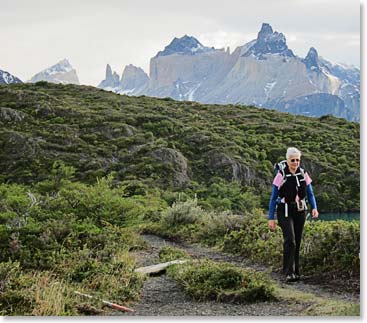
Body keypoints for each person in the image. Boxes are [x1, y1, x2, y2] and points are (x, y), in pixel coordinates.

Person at [268, 147, 318, 283]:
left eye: (297, 160)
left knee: (297, 240)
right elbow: (273, 198)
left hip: (300, 211)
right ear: (287, 160)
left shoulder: (303, 173)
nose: (295, 162)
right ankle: (288, 272)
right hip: (284, 210)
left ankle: (296, 271)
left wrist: (314, 208)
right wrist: (271, 218)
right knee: (290, 240)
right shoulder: (281, 175)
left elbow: (310, 192)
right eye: (292, 160)